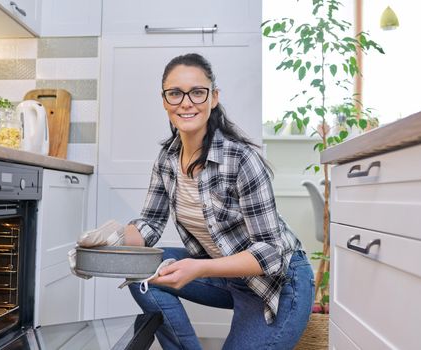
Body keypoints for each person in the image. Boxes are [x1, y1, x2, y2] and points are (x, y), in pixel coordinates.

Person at [121, 53, 314, 350]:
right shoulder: (168, 159)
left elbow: (271, 253)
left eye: (197, 92)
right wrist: (109, 239)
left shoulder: (240, 159)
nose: (186, 102)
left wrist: (197, 269)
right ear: (164, 101)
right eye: (175, 93)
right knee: (138, 267)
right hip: (228, 275)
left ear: (213, 98)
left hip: (277, 284)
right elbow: (149, 224)